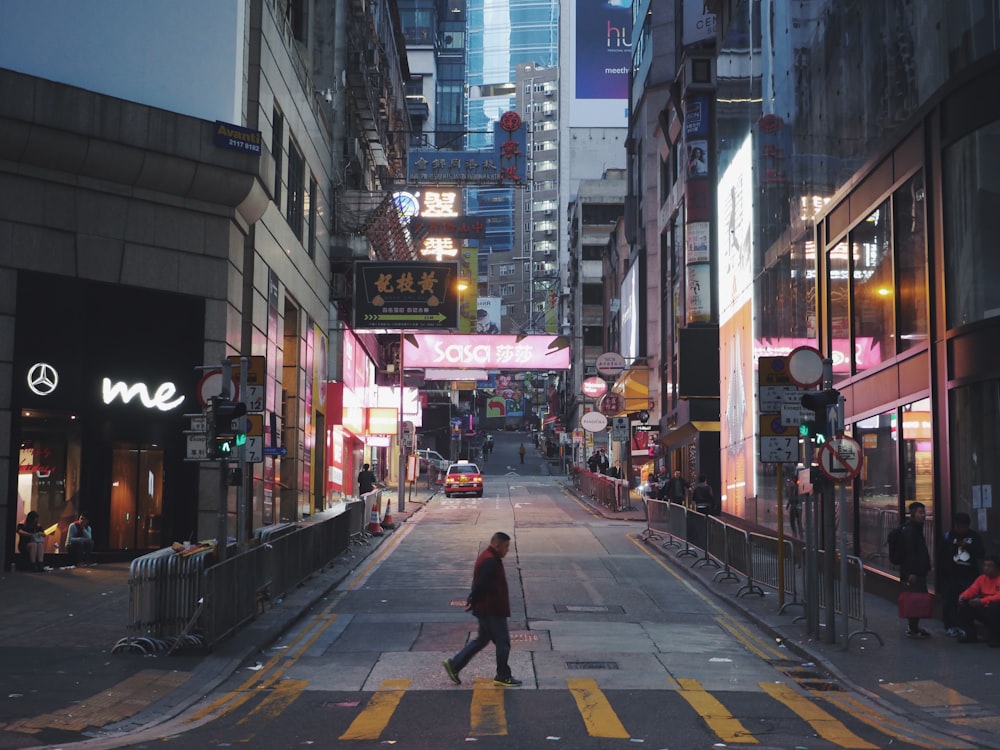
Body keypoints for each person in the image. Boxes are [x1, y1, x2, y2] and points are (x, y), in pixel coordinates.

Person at [443, 531, 521, 687]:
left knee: (482, 639)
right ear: (497, 545)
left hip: (487, 608)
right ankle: (503, 675)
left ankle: (455, 664)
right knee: (503, 642)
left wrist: (473, 601)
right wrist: (473, 600)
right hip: (492, 609)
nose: (507, 550)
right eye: (506, 547)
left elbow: (479, 584)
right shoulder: (490, 560)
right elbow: (481, 585)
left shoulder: (490, 557)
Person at [940, 512, 985, 637]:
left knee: (966, 602)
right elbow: (942, 554)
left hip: (969, 575)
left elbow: (981, 552)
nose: (961, 530)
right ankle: (951, 625)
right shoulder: (949, 536)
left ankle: (965, 626)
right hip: (952, 575)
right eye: (959, 527)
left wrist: (968, 547)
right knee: (950, 601)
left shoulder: (974, 536)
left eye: (963, 527)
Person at [899, 501, 933, 638]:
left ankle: (914, 627)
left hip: (918, 571)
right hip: (914, 573)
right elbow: (909, 553)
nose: (923, 515)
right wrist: (911, 572)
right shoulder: (910, 530)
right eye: (920, 512)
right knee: (915, 599)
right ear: (912, 514)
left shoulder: (915, 528)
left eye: (924, 512)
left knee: (917, 598)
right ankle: (912, 628)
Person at [956, 554, 1000, 646]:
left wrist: (981, 601)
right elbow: (972, 590)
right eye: (985, 565)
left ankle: (996, 638)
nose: (986, 568)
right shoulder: (981, 578)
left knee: (995, 607)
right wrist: (963, 596)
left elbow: (998, 597)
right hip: (984, 606)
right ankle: (970, 634)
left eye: (989, 565)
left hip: (994, 608)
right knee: (964, 605)